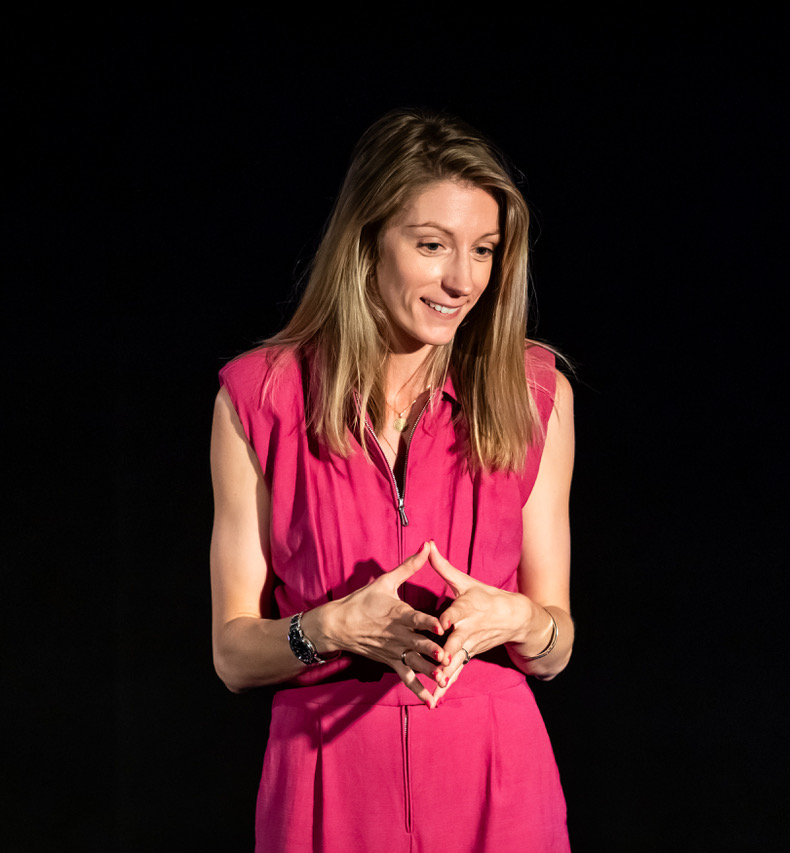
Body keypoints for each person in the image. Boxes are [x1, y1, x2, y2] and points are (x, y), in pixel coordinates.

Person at [210, 108, 574, 852]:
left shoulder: (535, 390)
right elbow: (233, 655)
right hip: (326, 781)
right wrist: (332, 627)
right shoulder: (259, 395)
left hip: (498, 783)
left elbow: (557, 639)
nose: (463, 279)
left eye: (484, 249)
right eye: (432, 245)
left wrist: (520, 621)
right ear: (368, 238)